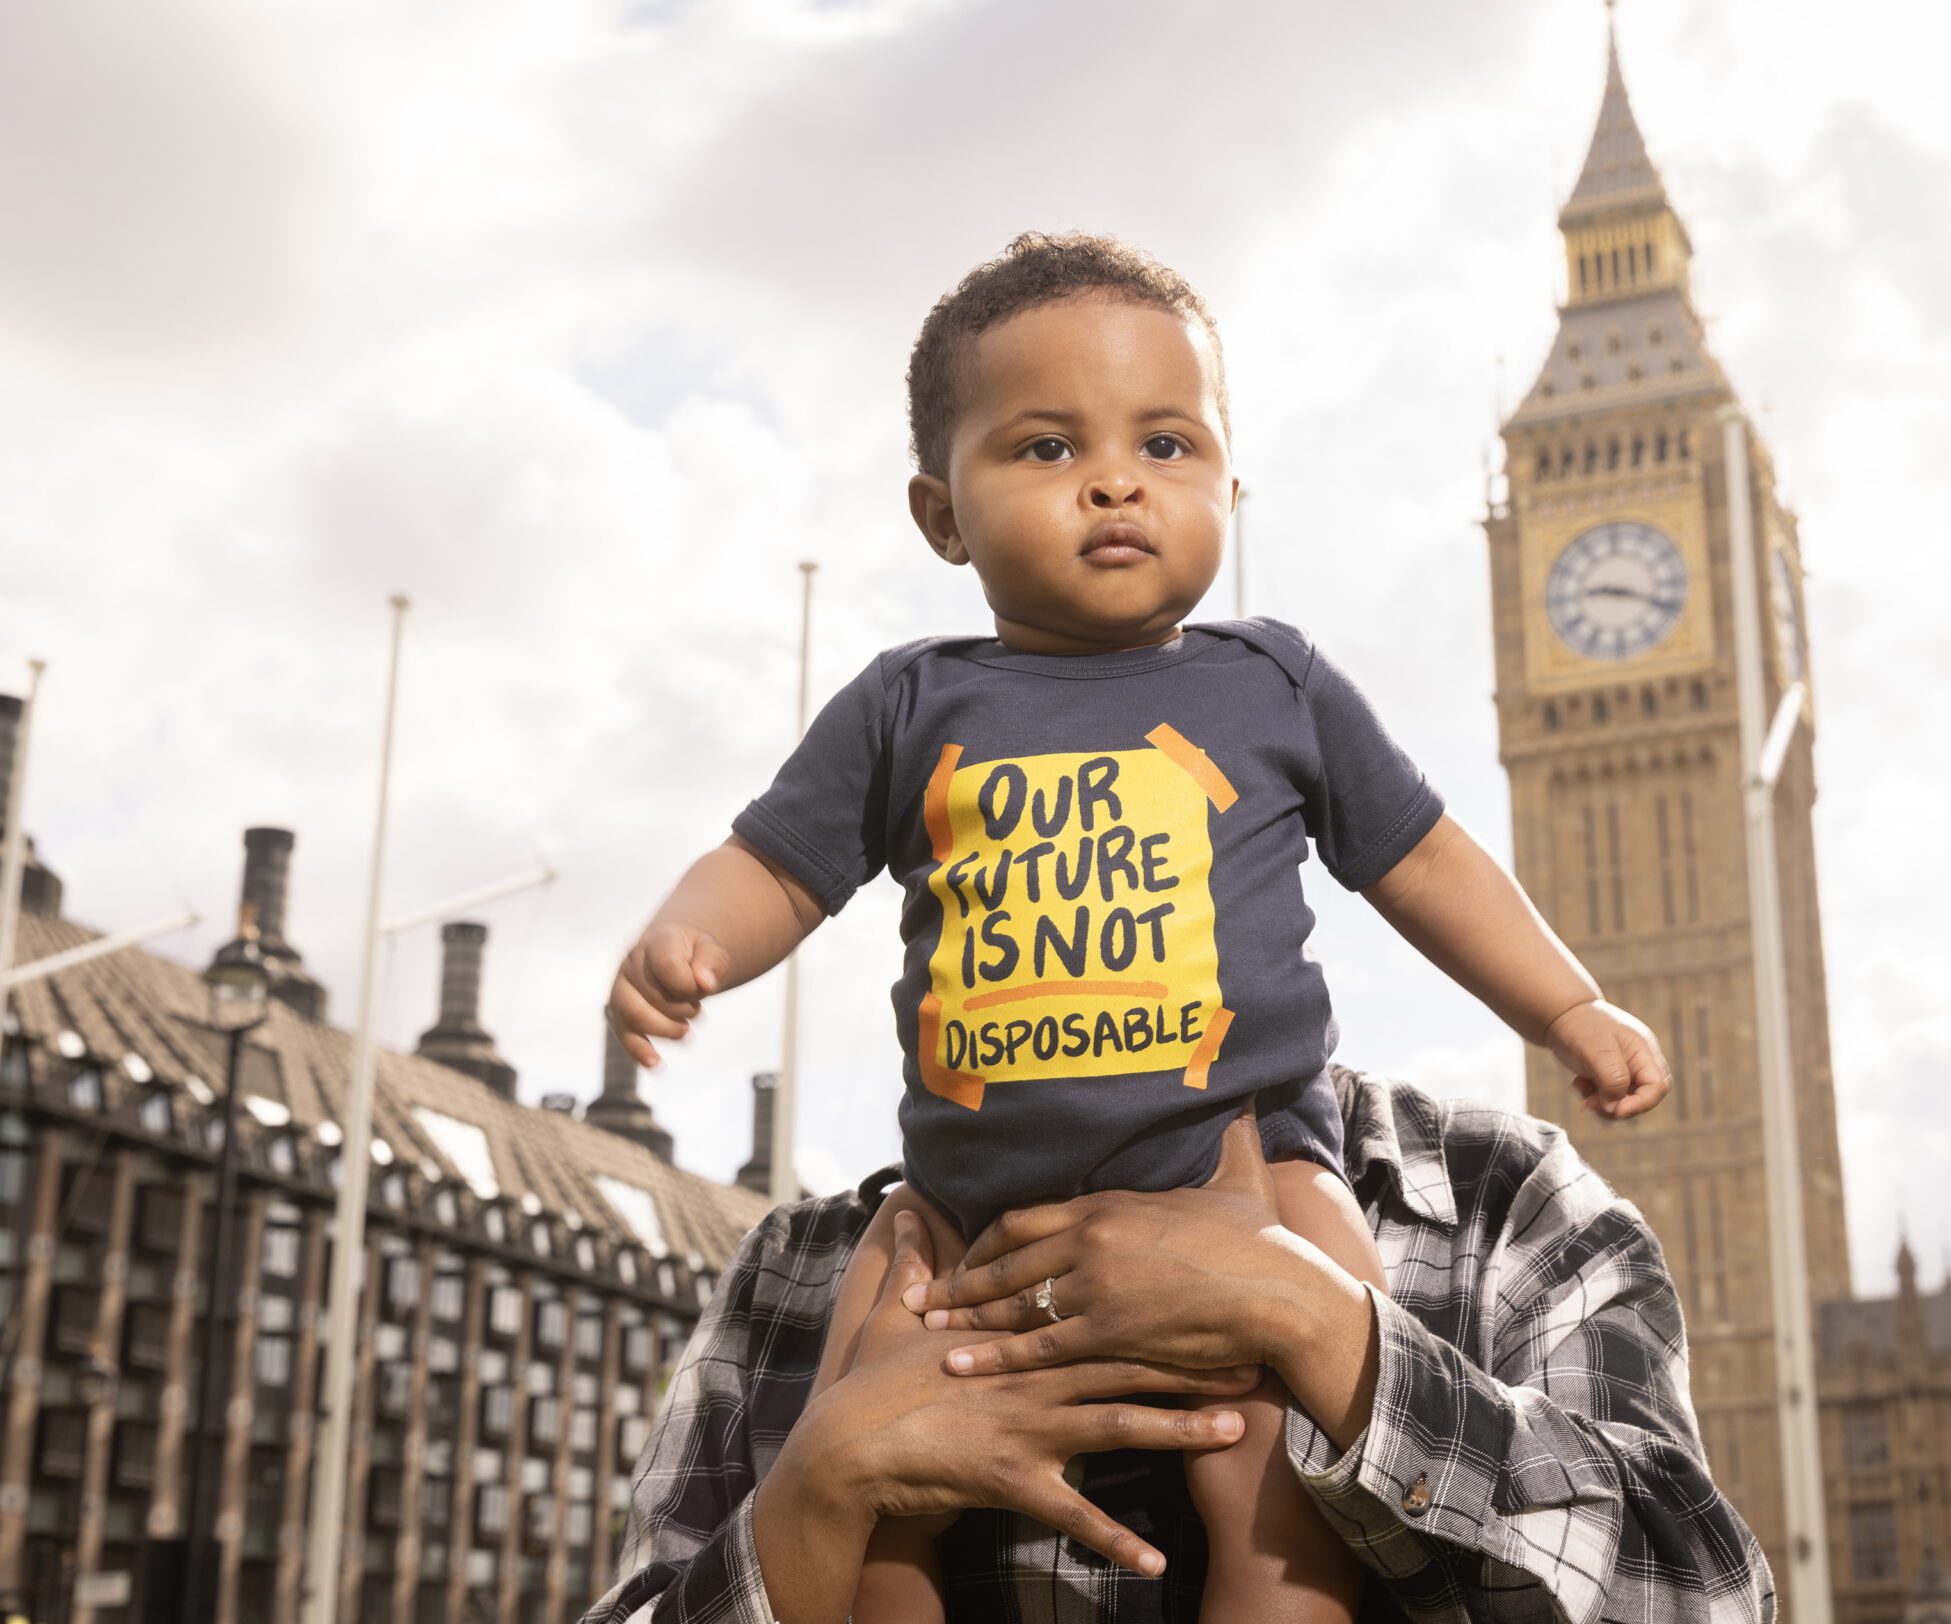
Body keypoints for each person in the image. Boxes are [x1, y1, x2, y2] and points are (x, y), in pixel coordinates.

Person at [605, 232, 1676, 1621]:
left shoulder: (1275, 685)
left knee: (1286, 1501)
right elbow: (771, 864)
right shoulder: (902, 704)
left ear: (1230, 484)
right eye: (1046, 449)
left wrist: (1566, 1005)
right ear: (941, 515)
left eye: (1165, 444)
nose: (1114, 479)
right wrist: (688, 943)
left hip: (1241, 1178)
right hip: (959, 1222)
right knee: (868, 1484)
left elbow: (1426, 861)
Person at [579, 1066, 1776, 1624]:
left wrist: (1329, 1336)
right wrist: (818, 1500)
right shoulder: (804, 1270)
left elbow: (1709, 1601)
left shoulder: (1495, 1204)